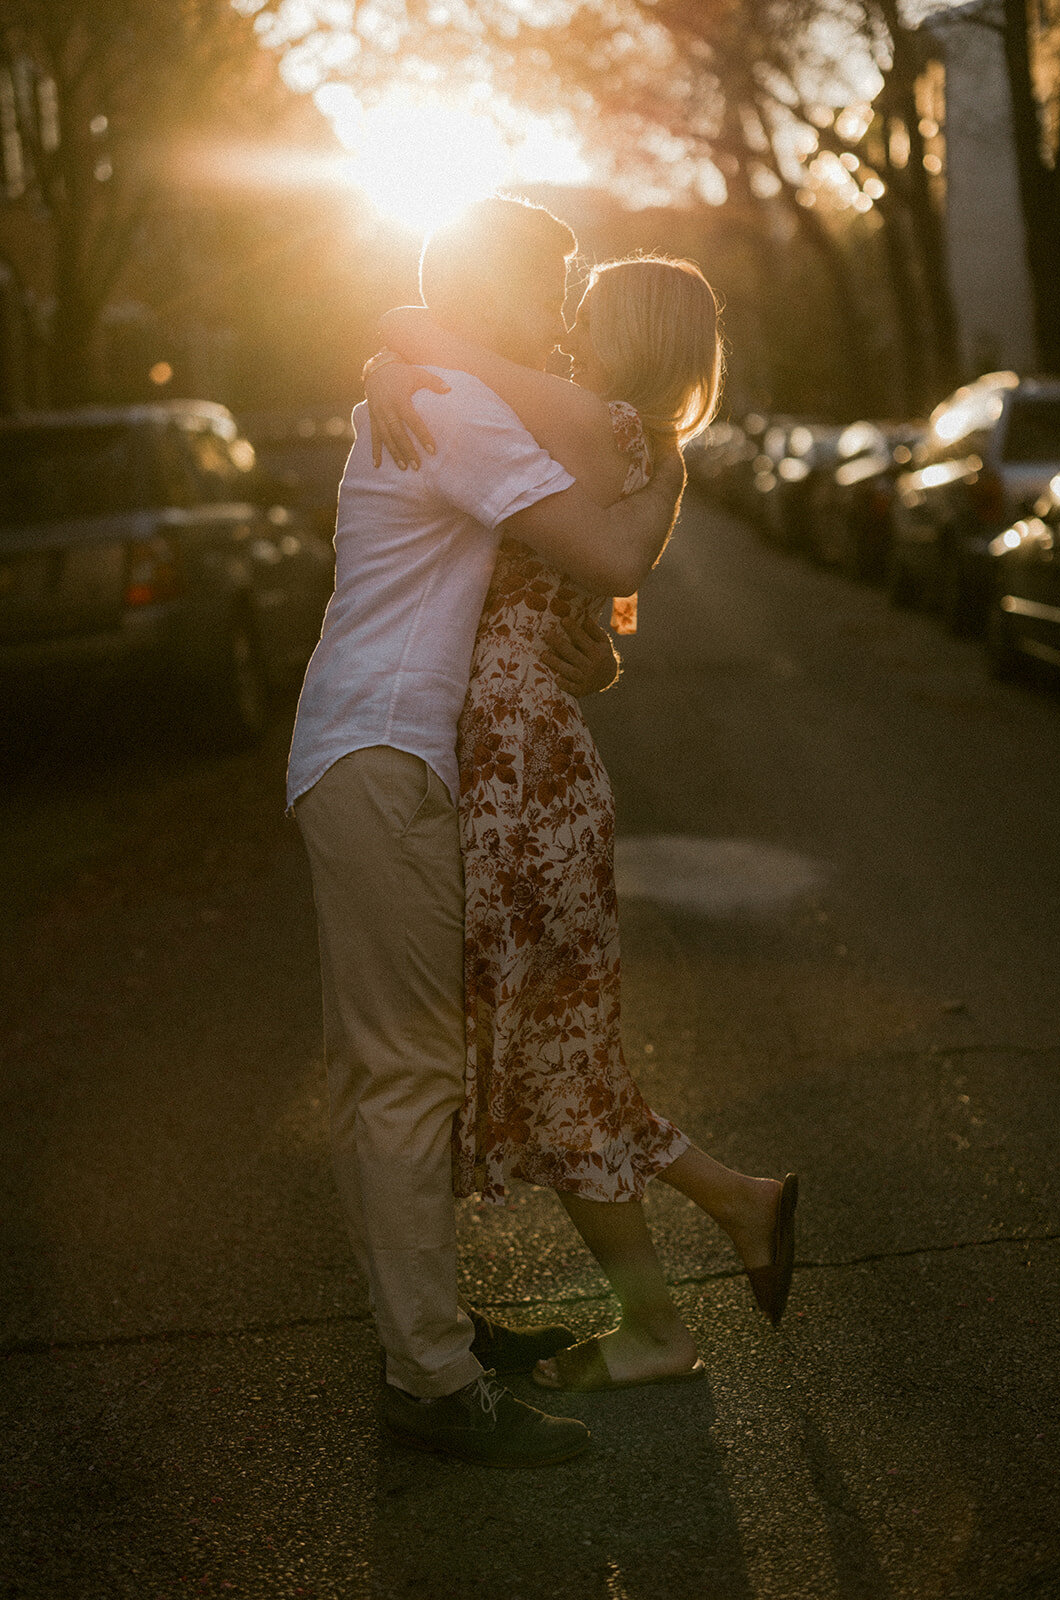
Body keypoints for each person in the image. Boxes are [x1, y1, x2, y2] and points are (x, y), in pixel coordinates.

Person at [286, 196, 686, 1465]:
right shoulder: (450, 407)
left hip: (378, 750)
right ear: (490, 292)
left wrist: (402, 339)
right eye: (548, 288)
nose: (562, 318)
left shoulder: (440, 386)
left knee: (388, 1074)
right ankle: (431, 1383)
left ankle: (427, 1333)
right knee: (404, 1077)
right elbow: (609, 545)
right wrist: (669, 453)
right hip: (386, 752)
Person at [364, 254, 798, 1394]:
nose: (565, 330)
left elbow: (455, 360)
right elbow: (597, 606)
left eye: (587, 315)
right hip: (535, 758)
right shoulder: (635, 443)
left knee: (548, 1056)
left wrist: (404, 348)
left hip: (518, 772)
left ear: (633, 338)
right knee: (563, 1050)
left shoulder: (607, 424)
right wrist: (385, 362)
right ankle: (735, 1201)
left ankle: (658, 1327)